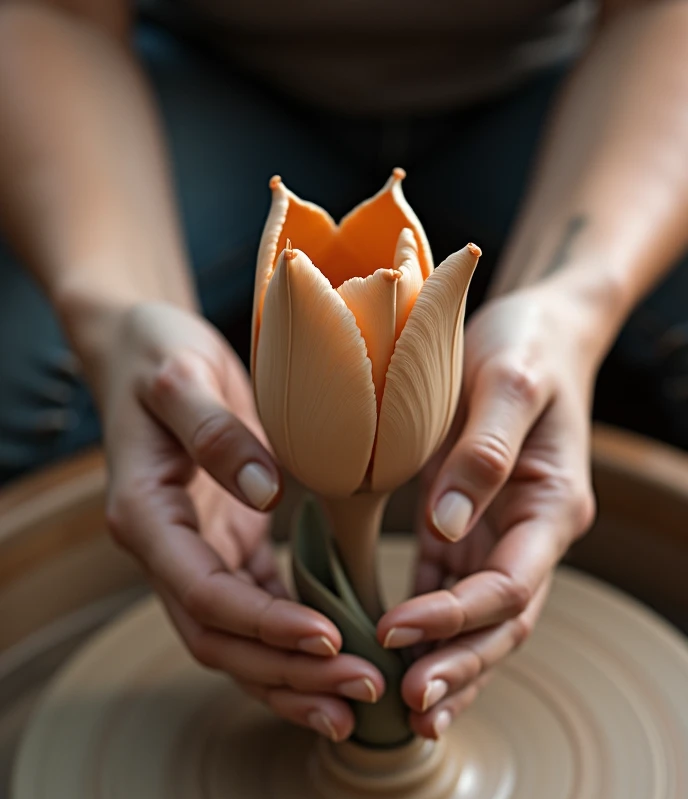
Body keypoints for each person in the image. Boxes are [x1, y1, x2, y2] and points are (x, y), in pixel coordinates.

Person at [1, 0, 687, 742]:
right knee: (23, 373)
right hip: (211, 86)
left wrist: (570, 306)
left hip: (558, 90)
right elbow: (52, 14)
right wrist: (122, 317)